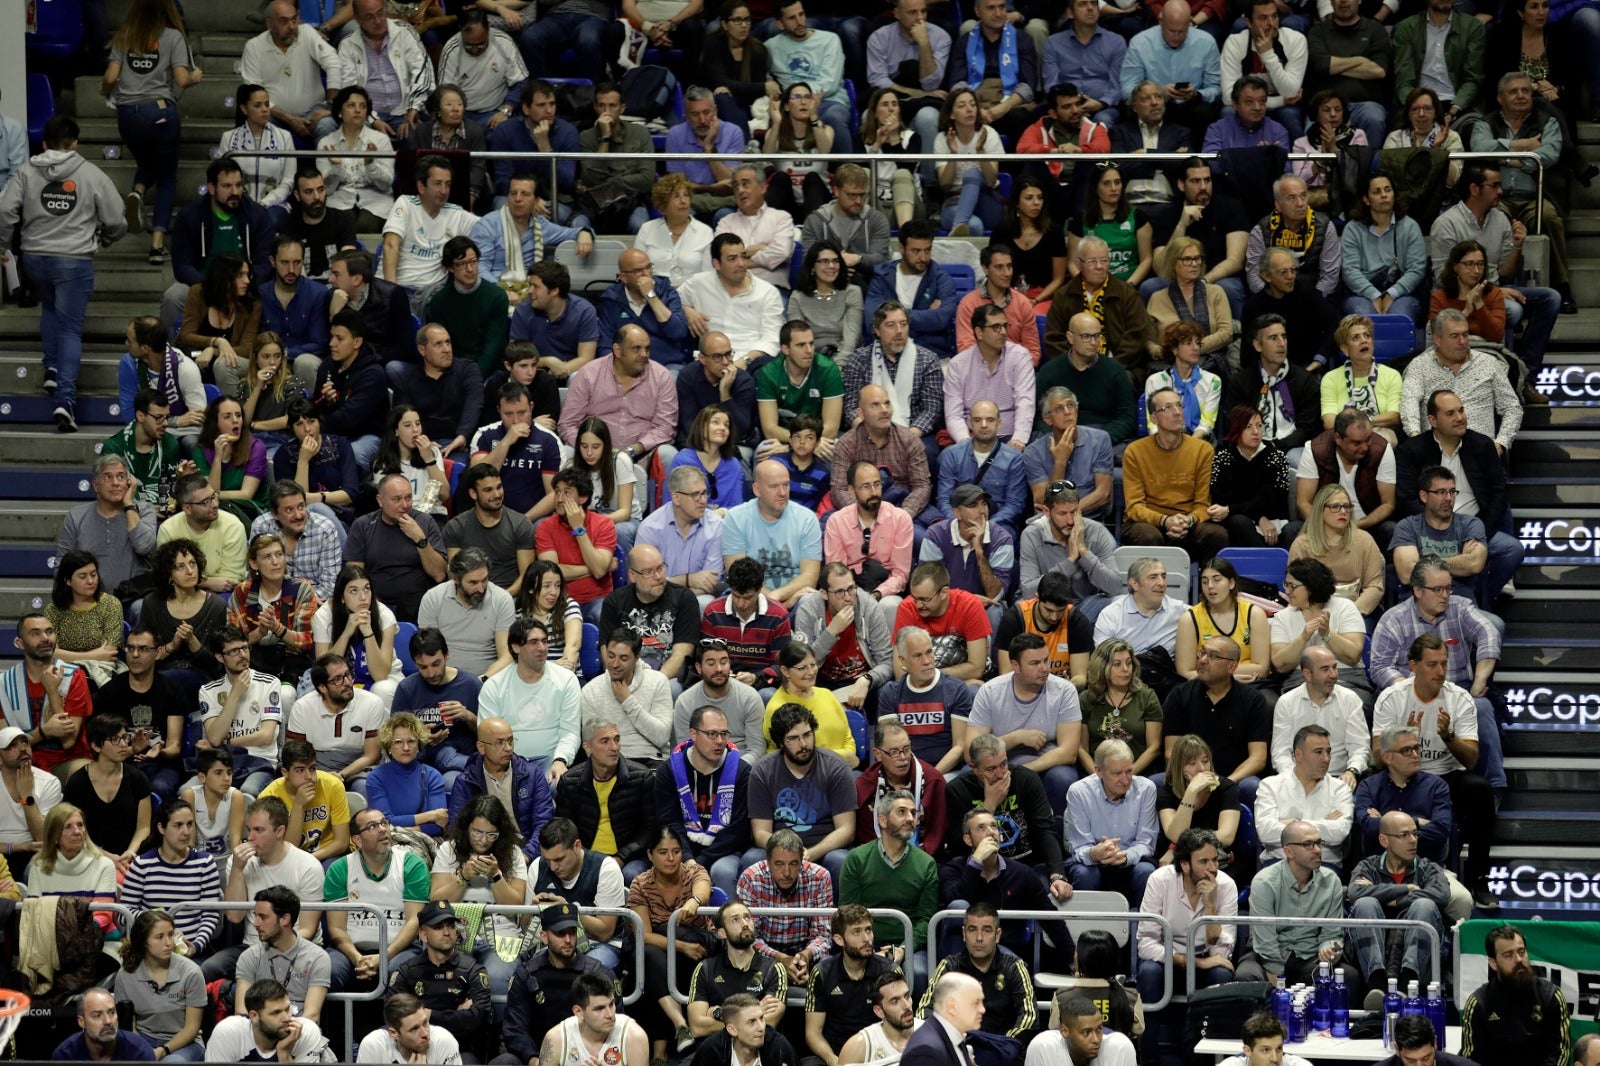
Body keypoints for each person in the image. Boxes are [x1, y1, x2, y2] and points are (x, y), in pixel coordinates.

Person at [1370, 630, 1501, 908]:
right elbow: (1379, 758)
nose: (1440, 671)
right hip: (1401, 772)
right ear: (1413, 666)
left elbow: (1471, 760)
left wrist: (1448, 736)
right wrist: (1404, 738)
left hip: (1445, 774)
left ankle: (1477, 878)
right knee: (1370, 786)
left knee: (1480, 790)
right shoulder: (1392, 698)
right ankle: (1369, 874)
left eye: (1444, 663)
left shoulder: (1459, 699)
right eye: (1432, 664)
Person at [1428, 164, 1560, 392]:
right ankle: (1502, 376)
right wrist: (1493, 289)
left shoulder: (1500, 220)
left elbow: (1506, 273)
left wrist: (1518, 247)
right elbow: (1442, 277)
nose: (1501, 191)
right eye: (1495, 185)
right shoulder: (1446, 224)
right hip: (1457, 294)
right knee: (1513, 310)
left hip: (1495, 289)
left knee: (1551, 298)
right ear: (1474, 189)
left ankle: (1526, 374)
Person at [1395, 389, 1522, 599]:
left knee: (1512, 550)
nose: (1460, 418)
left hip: (1472, 528)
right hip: (1429, 530)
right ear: (1432, 420)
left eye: (1461, 410)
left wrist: (1478, 531)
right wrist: (1434, 527)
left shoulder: (1482, 445)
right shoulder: (1412, 450)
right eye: (1450, 413)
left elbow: (1499, 494)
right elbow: (1406, 498)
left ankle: (1477, 600)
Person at [323, 801, 431, 994]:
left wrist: (384, 957)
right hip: (350, 951)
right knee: (327, 970)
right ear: (357, 839)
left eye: (384, 823)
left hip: (400, 949)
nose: (383, 830)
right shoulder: (340, 868)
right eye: (373, 826)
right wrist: (357, 958)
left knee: (398, 972)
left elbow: (414, 922)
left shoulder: (412, 865)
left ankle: (395, 1024)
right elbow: (336, 929)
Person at [163, 159, 276, 342]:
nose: (235, 192)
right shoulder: (190, 216)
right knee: (173, 297)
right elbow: (182, 266)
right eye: (227, 186)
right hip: (204, 283)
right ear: (212, 188)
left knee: (267, 293)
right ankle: (170, 355)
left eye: (239, 185)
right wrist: (212, 285)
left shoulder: (258, 216)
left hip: (246, 283)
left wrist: (242, 283)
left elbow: (264, 263)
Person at [745, 704, 858, 886]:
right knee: (752, 858)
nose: (803, 744)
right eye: (793, 739)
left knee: (840, 860)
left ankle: (837, 915)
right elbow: (760, 832)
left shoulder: (835, 767)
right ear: (781, 742)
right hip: (780, 848)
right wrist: (789, 853)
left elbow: (846, 830)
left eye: (807, 735)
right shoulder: (763, 771)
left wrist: (811, 853)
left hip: (825, 848)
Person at [1235, 819, 1354, 988]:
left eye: (1319, 843)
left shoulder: (1331, 880)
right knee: (1246, 975)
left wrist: (1330, 950)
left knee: (1348, 976)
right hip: (1266, 955)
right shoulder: (1265, 882)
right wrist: (1278, 979)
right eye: (1308, 845)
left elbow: (1333, 934)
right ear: (1288, 852)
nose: (1318, 850)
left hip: (1310, 955)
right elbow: (1265, 941)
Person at [1346, 811, 1449, 990]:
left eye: (1415, 833)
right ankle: (1375, 983)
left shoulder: (1428, 868)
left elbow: (1441, 894)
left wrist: (1397, 901)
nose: (1413, 840)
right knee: (1365, 903)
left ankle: (1407, 983)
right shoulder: (1367, 866)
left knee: (1424, 905)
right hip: (1374, 953)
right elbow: (1355, 893)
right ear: (1384, 840)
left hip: (1416, 956)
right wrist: (1405, 888)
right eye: (1404, 835)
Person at [1121, 389, 1228, 558]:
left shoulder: (1202, 450)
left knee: (1216, 534)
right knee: (1148, 536)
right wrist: (1164, 520)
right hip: (1150, 523)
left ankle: (1204, 582)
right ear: (1154, 418)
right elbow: (1134, 507)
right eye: (1168, 408)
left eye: (1179, 405)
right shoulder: (1135, 451)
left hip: (1188, 523)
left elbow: (1203, 504)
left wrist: (1188, 521)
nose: (1177, 412)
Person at [1135, 827, 1238, 1002]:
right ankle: (1151, 1030)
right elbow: (1146, 943)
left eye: (1214, 860)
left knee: (1222, 974)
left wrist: (1210, 904)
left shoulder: (1226, 885)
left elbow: (1221, 946)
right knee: (1149, 972)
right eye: (1204, 862)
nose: (1212, 868)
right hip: (1167, 958)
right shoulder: (1159, 880)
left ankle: (1210, 1029)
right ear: (1184, 865)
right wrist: (1192, 962)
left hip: (1207, 957)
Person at [1402, 312, 1524, 458]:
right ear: (1437, 339)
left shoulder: (1489, 363)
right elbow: (1409, 403)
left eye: (1465, 335)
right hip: (1434, 455)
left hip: (1480, 455)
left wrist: (1500, 445)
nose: (1462, 342)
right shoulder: (1419, 365)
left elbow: (1512, 407)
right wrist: (1416, 439)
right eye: (1454, 336)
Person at [807, 904, 912, 1066]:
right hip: (834, 1052)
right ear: (839, 939)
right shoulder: (822, 972)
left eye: (868, 930)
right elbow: (813, 1033)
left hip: (877, 1051)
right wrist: (833, 1060)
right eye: (857, 932)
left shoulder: (889, 971)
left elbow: (902, 1026)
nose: (866, 939)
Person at [835, 345, 942, 502]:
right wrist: (864, 514)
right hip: (861, 509)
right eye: (875, 405)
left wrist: (903, 515)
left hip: (901, 509)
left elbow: (922, 486)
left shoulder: (909, 440)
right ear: (860, 413)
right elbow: (839, 489)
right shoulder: (846, 444)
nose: (884, 410)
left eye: (887, 404)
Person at [342, 473, 451, 625]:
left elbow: (439, 574)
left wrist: (420, 539)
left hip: (420, 605)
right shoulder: (363, 526)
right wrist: (373, 604)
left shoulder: (425, 522)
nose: (405, 505)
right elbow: (354, 576)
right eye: (397, 499)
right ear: (380, 501)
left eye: (408, 498)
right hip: (376, 606)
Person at [918, 901, 1036, 1039]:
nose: (979, 938)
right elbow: (924, 1011)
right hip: (958, 1047)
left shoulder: (1014, 967)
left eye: (986, 930)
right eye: (972, 930)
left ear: (997, 935)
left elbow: (1029, 1018)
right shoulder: (949, 967)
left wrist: (1004, 1045)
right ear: (964, 933)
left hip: (1002, 1050)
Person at [1461, 926, 1572, 1066]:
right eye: (1508, 955)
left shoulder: (1551, 996)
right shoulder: (1478, 1004)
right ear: (1493, 963)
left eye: (1521, 951)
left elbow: (1561, 1055)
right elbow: (1469, 1061)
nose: (1518, 959)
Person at [1064, 740, 1158, 901]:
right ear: (1098, 771)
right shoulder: (1078, 792)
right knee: (1084, 873)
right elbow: (1078, 846)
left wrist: (1125, 856)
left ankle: (1144, 926)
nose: (1125, 779)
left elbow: (1146, 843)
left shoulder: (1146, 789)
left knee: (1146, 870)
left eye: (1129, 771)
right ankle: (1086, 926)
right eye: (1117, 773)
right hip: (1092, 863)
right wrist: (1094, 853)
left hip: (1130, 861)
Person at [55, 457, 158, 605]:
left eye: (121, 476)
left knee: (141, 607)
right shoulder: (76, 516)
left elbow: (144, 547)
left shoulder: (144, 510)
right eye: (108, 477)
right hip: (89, 601)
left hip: (133, 598)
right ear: (96, 485)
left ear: (129, 483)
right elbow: (62, 566)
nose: (115, 483)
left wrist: (129, 505)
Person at [722, 461, 824, 611]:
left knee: (809, 600)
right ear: (757, 489)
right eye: (774, 486)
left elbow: (810, 576)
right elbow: (738, 576)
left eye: (786, 485)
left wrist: (776, 597)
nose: (782, 492)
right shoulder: (736, 518)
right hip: (750, 597)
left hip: (794, 599)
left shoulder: (807, 519)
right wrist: (776, 605)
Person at [110, 909, 207, 1063]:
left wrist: (163, 1051)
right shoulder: (126, 975)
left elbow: (191, 1028)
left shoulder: (191, 972)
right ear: (143, 942)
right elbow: (129, 1027)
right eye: (159, 937)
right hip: (143, 1040)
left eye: (170, 934)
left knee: (171, 1063)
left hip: (184, 1043)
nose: (168, 942)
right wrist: (142, 1050)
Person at [381, 156, 478, 306]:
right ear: (421, 186)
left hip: (430, 294)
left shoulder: (456, 214)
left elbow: (490, 225)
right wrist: (391, 293)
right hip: (398, 287)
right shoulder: (406, 204)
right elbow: (390, 245)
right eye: (438, 184)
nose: (444, 191)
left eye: (448, 184)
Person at [1119, 1, 1223, 140]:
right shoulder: (1140, 43)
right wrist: (1158, 93)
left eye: (1182, 31)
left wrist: (1196, 94)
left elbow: (1215, 88)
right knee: (1138, 109)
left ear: (1189, 23)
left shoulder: (1206, 42)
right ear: (1161, 20)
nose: (1177, 36)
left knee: (1206, 111)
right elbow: (1127, 89)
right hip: (1154, 105)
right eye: (1171, 31)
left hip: (1191, 107)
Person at [1254, 725, 1354, 869]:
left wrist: (1292, 823)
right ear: (1299, 755)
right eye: (1318, 752)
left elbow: (1339, 833)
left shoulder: (1340, 789)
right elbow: (1265, 832)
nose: (1326, 758)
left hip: (1324, 866)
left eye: (1328, 751)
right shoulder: (1270, 785)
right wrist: (1323, 824)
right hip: (1278, 864)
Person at [242, 2, 343, 143]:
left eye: (294, 19)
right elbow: (252, 92)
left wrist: (330, 106)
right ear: (269, 24)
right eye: (284, 21)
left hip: (313, 113)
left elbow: (334, 63)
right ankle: (268, 165)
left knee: (327, 124)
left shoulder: (307, 33)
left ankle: (325, 165)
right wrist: (289, 119)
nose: (291, 26)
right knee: (257, 119)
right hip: (273, 116)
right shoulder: (254, 47)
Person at [944, 311, 1035, 466]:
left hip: (1009, 435)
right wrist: (966, 445)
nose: (1004, 332)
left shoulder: (1020, 357)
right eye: (996, 327)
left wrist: (1019, 439)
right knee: (946, 459)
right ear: (979, 332)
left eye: (1005, 326)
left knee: (1031, 459)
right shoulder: (958, 364)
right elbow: (953, 414)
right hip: (973, 436)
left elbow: (1025, 402)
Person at [1225, 314, 1322, 458]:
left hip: (1293, 448)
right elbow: (1236, 424)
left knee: (1296, 459)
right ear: (1258, 345)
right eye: (1273, 338)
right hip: (1252, 446)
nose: (1282, 343)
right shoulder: (1241, 382)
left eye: (1284, 337)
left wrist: (1276, 447)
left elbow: (1307, 428)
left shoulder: (1305, 381)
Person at [63, 713, 151, 869]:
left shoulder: (138, 779)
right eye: (115, 739)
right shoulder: (78, 783)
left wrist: (129, 853)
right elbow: (72, 832)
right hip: (89, 856)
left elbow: (143, 827)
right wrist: (109, 858)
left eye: (125, 737)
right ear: (96, 746)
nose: (123, 744)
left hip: (130, 858)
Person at [1270, 647, 1368, 787]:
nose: (1333, 674)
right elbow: (1280, 752)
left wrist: (1352, 772)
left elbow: (1359, 747)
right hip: (1297, 781)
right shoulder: (1287, 703)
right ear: (1307, 674)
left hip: (1338, 779)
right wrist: (1294, 779)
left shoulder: (1350, 699)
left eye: (1334, 667)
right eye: (1325, 669)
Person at [863, 223, 959, 363]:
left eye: (927, 251)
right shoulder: (882, 276)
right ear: (901, 248)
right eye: (916, 251)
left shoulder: (941, 279)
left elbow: (942, 319)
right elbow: (872, 319)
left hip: (932, 355)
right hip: (887, 355)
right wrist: (926, 317)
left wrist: (891, 321)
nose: (923, 258)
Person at [234, 885, 332, 1023]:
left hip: (301, 1034)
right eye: (255, 916)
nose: (256, 923)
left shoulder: (317, 958)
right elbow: (242, 1014)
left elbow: (311, 1016)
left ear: (284, 919)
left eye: (263, 917)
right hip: (260, 1035)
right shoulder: (249, 957)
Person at [417, 548, 515, 682]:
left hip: (487, 680)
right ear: (456, 579)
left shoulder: (501, 599)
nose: (481, 589)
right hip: (443, 680)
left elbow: (507, 655)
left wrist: (482, 680)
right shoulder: (433, 598)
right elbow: (428, 651)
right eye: (473, 582)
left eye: (484, 580)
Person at [1340, 174, 1427, 322]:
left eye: (1388, 190)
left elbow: (1417, 269)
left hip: (1402, 292)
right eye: (1376, 192)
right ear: (1366, 199)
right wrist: (1374, 295)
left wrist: (1392, 294)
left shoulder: (1410, 226)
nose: (1384, 195)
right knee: (1364, 318)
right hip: (1361, 293)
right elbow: (1350, 270)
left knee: (1399, 317)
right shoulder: (1353, 229)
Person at [1289, 484, 1385, 618]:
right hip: (1313, 611)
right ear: (1320, 510)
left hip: (1356, 611)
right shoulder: (1302, 544)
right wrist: (1319, 614)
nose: (1343, 511)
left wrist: (1349, 613)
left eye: (1347, 506)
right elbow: (1296, 587)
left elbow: (1375, 587)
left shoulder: (1364, 540)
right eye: (1335, 507)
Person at [1092, 558, 1187, 692]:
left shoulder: (1181, 612)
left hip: (1165, 687)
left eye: (1163, 576)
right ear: (1134, 583)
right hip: (1124, 685)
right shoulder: (1111, 615)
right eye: (1153, 577)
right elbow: (1103, 659)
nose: (1161, 583)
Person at [892, 563, 992, 687]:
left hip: (956, 685)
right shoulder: (907, 608)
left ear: (943, 593)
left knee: (973, 691)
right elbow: (900, 673)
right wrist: (943, 681)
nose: (918, 605)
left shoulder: (970, 606)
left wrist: (928, 677)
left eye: (924, 600)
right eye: (915, 598)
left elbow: (976, 668)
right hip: (932, 686)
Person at [257, 737, 352, 862]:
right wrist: (298, 806)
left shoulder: (332, 785)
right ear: (285, 772)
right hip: (289, 859)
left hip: (328, 854)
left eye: (312, 768)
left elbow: (342, 843)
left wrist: (309, 861)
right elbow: (288, 850)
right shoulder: (269, 797)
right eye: (300, 770)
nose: (309, 777)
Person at [703, 559, 793, 690]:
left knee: (767, 695)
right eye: (736, 596)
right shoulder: (713, 612)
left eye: (748, 597)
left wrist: (757, 677)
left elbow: (783, 665)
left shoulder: (778, 615)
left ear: (760, 588)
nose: (741, 604)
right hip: (721, 677)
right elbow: (706, 657)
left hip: (762, 681)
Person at [314, 86, 396, 231]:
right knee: (344, 224)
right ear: (340, 111)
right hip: (340, 201)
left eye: (362, 106)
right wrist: (336, 167)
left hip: (375, 201)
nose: (358, 110)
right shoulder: (326, 143)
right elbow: (328, 190)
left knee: (365, 225)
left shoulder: (381, 140)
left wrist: (370, 165)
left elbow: (386, 184)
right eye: (351, 105)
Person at [204, 978, 331, 1062]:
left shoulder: (305, 1032)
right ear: (254, 1016)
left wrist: (284, 1053)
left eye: (287, 1009)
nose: (287, 1018)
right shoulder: (229, 1033)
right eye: (276, 1013)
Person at [1320, 316, 1403, 442]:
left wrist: (1361, 422)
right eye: (1355, 338)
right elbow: (1329, 422)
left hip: (1380, 438)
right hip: (1343, 440)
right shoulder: (1331, 378)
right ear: (1344, 348)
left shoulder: (1391, 375)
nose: (1364, 341)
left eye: (1367, 335)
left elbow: (1394, 417)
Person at [1025, 992, 1137, 1066]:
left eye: (1099, 1029)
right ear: (1064, 1031)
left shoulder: (1120, 1048)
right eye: (1086, 1032)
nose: (1096, 1039)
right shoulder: (1042, 1048)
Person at [672, 406, 748, 514]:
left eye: (726, 425)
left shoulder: (733, 465)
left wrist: (721, 513)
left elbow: (737, 508)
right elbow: (673, 503)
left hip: (724, 525)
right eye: (716, 422)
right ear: (701, 427)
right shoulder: (682, 461)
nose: (722, 428)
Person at [900, 973, 987, 1066]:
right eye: (976, 1003)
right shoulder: (925, 1052)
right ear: (952, 1006)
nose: (982, 1009)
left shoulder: (954, 1037)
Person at [51, 986, 155, 1063]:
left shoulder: (140, 1053)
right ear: (81, 1021)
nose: (108, 1021)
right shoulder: (65, 1056)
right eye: (97, 1015)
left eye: (112, 1012)